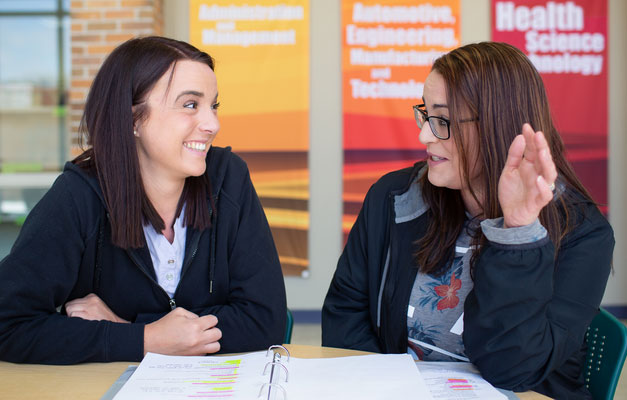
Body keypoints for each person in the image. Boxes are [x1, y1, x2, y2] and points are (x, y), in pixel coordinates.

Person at [322, 41, 614, 399]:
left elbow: (513, 369)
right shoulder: (392, 197)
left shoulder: (582, 233)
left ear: (498, 126)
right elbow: (344, 315)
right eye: (426, 115)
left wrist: (518, 232)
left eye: (442, 120)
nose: (424, 135)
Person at [0, 36, 286, 364]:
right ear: (134, 119)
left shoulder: (228, 178)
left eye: (213, 105)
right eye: (191, 105)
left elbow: (266, 320)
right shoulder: (78, 196)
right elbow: (8, 323)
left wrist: (136, 332)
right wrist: (148, 339)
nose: (213, 124)